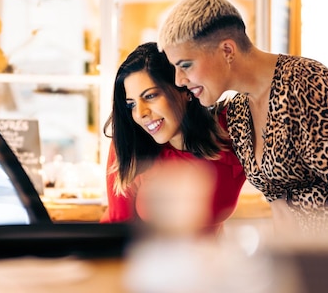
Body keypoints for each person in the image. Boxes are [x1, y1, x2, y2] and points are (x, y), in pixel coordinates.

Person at [157, 0, 328, 235]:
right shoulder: (239, 113)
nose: (179, 80)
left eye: (186, 65)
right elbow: (282, 209)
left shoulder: (303, 84)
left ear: (227, 49)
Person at [99, 42, 246, 233]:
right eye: (131, 105)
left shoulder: (232, 128)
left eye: (150, 96)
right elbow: (118, 228)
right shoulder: (131, 143)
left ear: (185, 90)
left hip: (209, 260)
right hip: (146, 259)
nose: (140, 113)